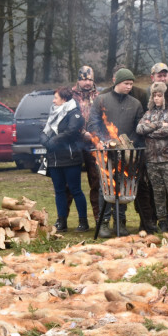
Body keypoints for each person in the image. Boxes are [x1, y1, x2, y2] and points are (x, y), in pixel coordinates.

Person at [88, 68, 145, 237]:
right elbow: (93, 124)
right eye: (126, 83)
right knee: (105, 186)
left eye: (131, 84)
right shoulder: (101, 100)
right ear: (117, 83)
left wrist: (130, 143)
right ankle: (103, 222)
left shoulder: (135, 103)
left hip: (126, 152)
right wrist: (103, 141)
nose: (129, 86)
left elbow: (139, 127)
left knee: (123, 184)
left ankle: (120, 221)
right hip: (105, 151)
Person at [136, 81, 168, 233]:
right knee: (157, 193)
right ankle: (163, 221)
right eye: (154, 96)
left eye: (160, 95)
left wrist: (150, 129)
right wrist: (158, 125)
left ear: (166, 96)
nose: (157, 99)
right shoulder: (149, 113)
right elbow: (139, 128)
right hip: (152, 160)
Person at [41, 87, 89, 232]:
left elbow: (71, 132)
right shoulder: (53, 113)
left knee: (76, 190)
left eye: (56, 98)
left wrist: (53, 141)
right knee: (59, 191)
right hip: (54, 159)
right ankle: (61, 221)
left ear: (64, 99)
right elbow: (44, 131)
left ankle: (83, 222)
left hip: (70, 158)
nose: (53, 100)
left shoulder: (75, 114)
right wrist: (44, 140)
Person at [71, 66, 101, 225]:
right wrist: (81, 133)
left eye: (89, 79)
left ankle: (98, 217)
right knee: (71, 182)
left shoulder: (100, 95)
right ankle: (64, 219)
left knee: (96, 180)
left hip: (93, 143)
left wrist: (95, 135)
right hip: (75, 142)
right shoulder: (70, 96)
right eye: (84, 79)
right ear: (78, 80)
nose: (87, 82)